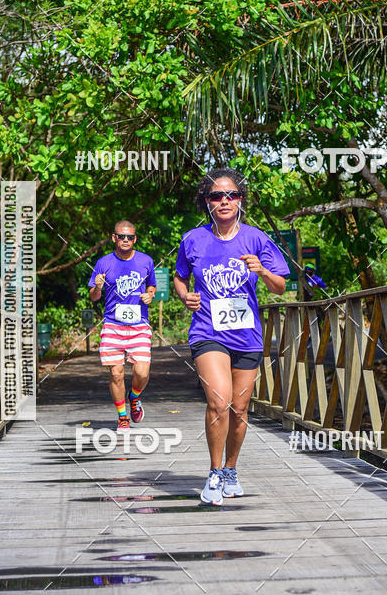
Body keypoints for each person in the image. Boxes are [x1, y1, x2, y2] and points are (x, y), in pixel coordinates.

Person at [174, 168, 289, 505]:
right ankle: (212, 474)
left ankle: (230, 469)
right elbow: (181, 277)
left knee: (239, 410)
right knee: (219, 401)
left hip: (247, 336)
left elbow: (281, 287)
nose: (224, 201)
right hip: (208, 332)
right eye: (216, 196)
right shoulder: (192, 239)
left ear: (240, 200)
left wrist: (262, 270)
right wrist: (184, 296)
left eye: (231, 195)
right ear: (206, 202)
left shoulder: (256, 239)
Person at [88, 220, 156, 431]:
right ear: (114, 238)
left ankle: (134, 397)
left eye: (130, 237)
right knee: (116, 373)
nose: (125, 240)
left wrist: (150, 295)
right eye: (121, 236)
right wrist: (97, 287)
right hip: (113, 325)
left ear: (135, 239)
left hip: (139, 324)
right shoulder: (103, 262)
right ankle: (122, 416)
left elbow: (151, 285)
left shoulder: (146, 261)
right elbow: (94, 297)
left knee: (142, 372)